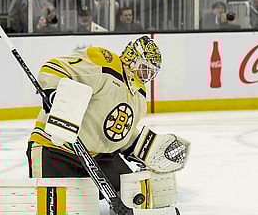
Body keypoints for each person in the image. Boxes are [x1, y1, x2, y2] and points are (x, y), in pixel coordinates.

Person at [26, 36, 162, 194]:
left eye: (151, 72)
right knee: (53, 210)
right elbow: (55, 67)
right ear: (131, 57)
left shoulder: (139, 95)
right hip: (55, 148)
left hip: (97, 157)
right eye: (145, 68)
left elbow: (121, 132)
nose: (147, 75)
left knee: (133, 194)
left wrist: (142, 148)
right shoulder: (105, 63)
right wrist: (52, 92)